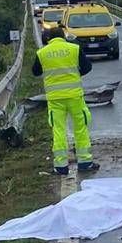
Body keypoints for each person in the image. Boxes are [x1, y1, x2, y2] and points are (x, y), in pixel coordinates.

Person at [32, 26, 98, 175]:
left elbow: (35, 72)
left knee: (58, 130)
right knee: (80, 128)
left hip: (55, 99)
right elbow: (87, 67)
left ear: (49, 38)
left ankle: (61, 166)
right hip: (75, 96)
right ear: (64, 36)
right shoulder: (74, 49)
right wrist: (74, 74)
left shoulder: (42, 53)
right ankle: (85, 162)